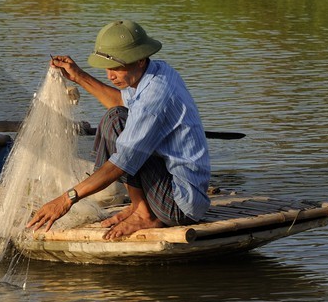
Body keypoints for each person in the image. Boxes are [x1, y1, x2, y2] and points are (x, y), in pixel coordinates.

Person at [27, 20, 210, 239]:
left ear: (140, 60)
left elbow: (121, 162)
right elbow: (120, 103)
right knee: (116, 117)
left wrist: (66, 199)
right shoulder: (155, 72)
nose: (110, 76)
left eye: (116, 68)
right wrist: (78, 76)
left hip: (179, 205)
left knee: (115, 122)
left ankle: (145, 214)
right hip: (174, 191)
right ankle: (139, 207)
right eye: (107, 68)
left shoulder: (155, 96)